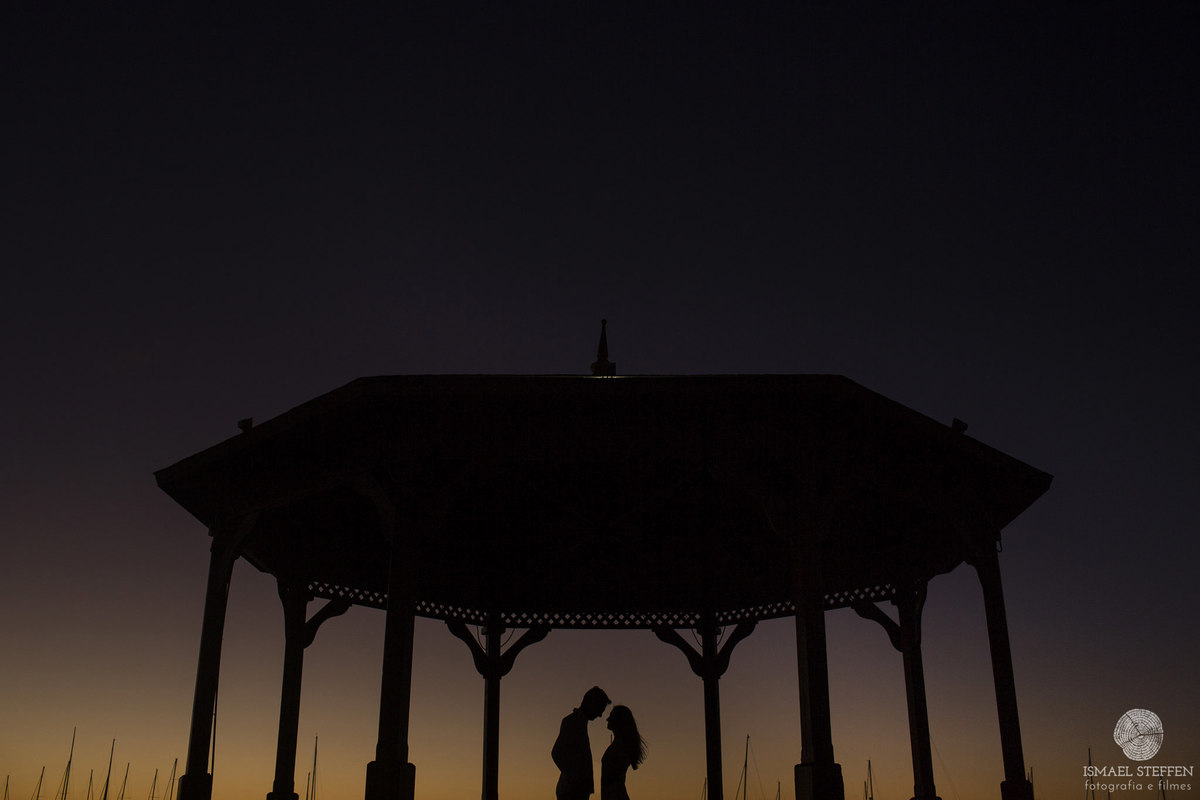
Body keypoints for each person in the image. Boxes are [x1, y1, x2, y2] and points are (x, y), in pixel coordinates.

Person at [553, 686, 611, 800]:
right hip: (572, 791)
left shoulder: (579, 723)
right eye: (600, 709)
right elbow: (556, 753)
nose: (600, 715)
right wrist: (574, 778)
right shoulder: (572, 722)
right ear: (592, 704)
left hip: (577, 789)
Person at [599, 705, 646, 800]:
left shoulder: (620, 746)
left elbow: (612, 777)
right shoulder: (619, 744)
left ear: (618, 720)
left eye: (611, 716)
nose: (607, 719)